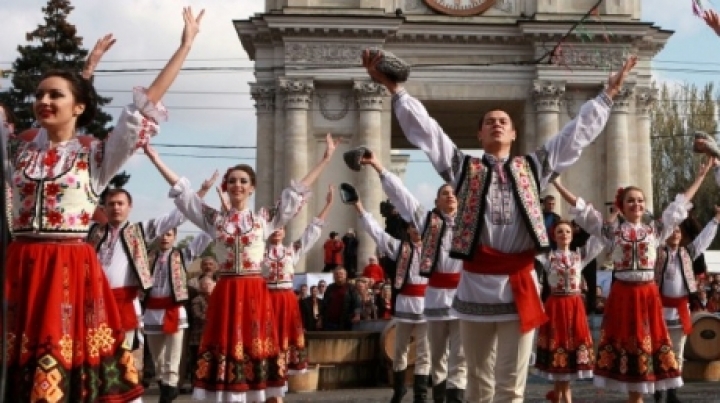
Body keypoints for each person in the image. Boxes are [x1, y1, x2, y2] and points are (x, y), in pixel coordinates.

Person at [362, 47, 637, 402]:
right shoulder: (464, 170)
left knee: (511, 386)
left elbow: (574, 136)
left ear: (513, 134)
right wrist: (395, 90)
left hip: (518, 286)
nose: (496, 123)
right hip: (475, 285)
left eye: (503, 121)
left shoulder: (532, 168)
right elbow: (428, 133)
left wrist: (606, 96)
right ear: (479, 136)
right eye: (489, 121)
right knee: (477, 384)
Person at [0, 8, 204, 401]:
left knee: (60, 362)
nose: (43, 99)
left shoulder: (95, 157)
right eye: (39, 94)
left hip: (67, 269)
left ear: (78, 107)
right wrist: (85, 71)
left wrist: (185, 47)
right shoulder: (17, 148)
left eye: (54, 95)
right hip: (20, 265)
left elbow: (143, 108)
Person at [145, 132, 338, 402]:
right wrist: (154, 158)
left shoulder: (264, 219)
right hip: (226, 293)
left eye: (243, 181)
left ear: (252, 188)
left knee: (256, 345)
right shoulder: (214, 220)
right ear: (226, 187)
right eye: (232, 181)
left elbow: (295, 194)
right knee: (226, 346)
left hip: (255, 293)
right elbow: (185, 195)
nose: (237, 185)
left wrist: (326, 159)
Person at [555, 159, 714, 402]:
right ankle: (635, 397)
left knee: (647, 343)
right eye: (631, 200)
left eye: (640, 200)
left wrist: (700, 178)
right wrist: (556, 183)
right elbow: (583, 210)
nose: (636, 204)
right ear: (622, 205)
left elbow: (679, 206)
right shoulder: (611, 233)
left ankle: (645, 394)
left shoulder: (656, 231)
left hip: (648, 295)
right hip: (623, 295)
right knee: (627, 344)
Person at [358, 149, 466, 402]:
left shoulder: (471, 225)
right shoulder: (429, 223)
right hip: (436, 299)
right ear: (437, 202)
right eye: (444, 194)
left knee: (459, 357)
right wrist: (379, 167)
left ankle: (456, 399)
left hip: (463, 297)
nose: (449, 196)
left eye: (453, 193)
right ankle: (431, 396)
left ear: (459, 200)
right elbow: (402, 197)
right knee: (435, 355)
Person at [350, 197, 430, 403]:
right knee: (399, 348)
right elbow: (376, 232)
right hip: (405, 304)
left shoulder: (434, 248)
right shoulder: (400, 248)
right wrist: (359, 206)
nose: (416, 230)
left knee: (424, 352)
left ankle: (420, 394)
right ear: (408, 230)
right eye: (412, 227)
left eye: (419, 226)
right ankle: (399, 388)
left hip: (427, 305)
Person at [263, 185, 334, 384]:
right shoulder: (260, 254)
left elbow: (312, 232)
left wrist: (328, 205)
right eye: (274, 228)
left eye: (280, 228)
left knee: (286, 336)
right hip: (266, 299)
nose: (277, 232)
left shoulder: (291, 251)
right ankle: (266, 372)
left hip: (286, 300)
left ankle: (282, 373)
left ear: (284, 232)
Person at [653, 204, 720, 403]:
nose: (675, 234)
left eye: (678, 231)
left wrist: (716, 219)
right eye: (671, 231)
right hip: (660, 310)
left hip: (681, 309)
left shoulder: (687, 253)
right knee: (659, 352)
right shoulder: (657, 253)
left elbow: (703, 241)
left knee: (678, 353)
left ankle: (672, 392)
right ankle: (658, 388)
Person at [534, 217, 605, 403]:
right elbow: (531, 243)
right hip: (555, 306)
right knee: (557, 349)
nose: (564, 234)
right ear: (554, 236)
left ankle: (562, 396)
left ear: (572, 236)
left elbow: (598, 240)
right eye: (560, 232)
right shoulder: (548, 257)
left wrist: (608, 218)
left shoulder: (579, 256)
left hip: (574, 306)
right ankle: (562, 396)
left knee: (571, 350)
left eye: (567, 231)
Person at [144, 228, 212, 402]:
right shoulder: (147, 257)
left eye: (169, 234)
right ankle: (164, 386)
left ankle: (169, 390)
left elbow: (203, 238)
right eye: (162, 234)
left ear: (174, 237)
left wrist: (208, 217)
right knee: (157, 358)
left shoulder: (182, 255)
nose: (165, 238)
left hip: (174, 310)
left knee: (173, 356)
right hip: (152, 312)